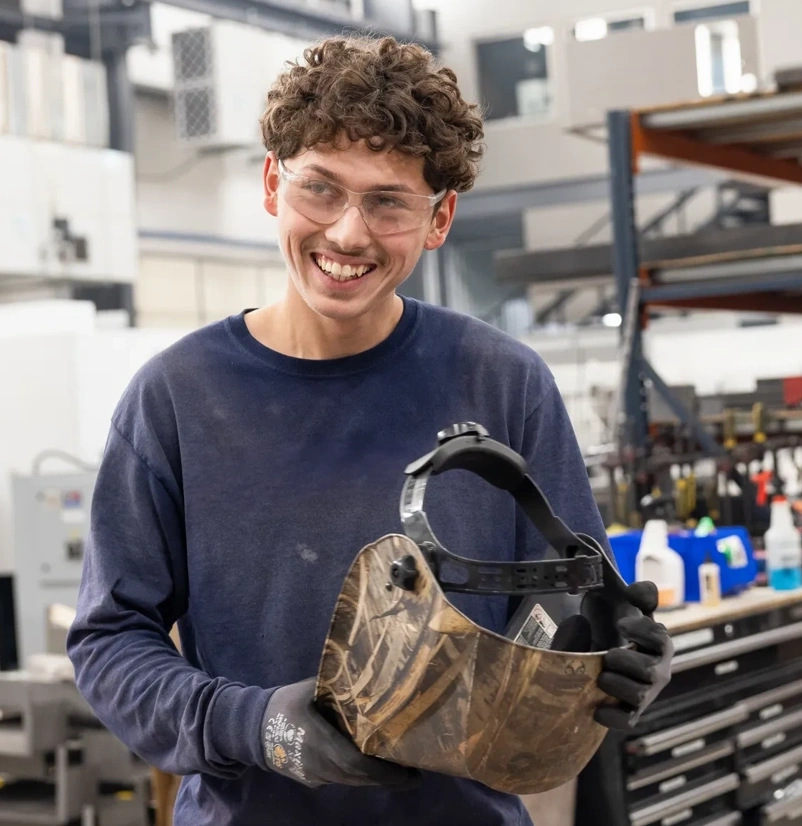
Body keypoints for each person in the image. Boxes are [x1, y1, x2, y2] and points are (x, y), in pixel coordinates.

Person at [67, 34, 673, 826]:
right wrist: (255, 726)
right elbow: (110, 643)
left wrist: (611, 656)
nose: (348, 234)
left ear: (439, 218)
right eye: (320, 189)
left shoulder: (504, 383)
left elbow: (565, 603)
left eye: (388, 201)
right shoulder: (176, 400)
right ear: (271, 186)